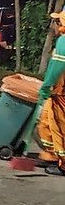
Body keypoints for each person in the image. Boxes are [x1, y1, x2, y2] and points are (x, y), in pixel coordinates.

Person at [37, 9, 65, 176]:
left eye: (57, 21)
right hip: (58, 92)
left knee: (60, 127)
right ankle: (51, 155)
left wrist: (46, 86)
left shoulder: (63, 42)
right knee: (46, 122)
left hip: (61, 92)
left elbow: (56, 68)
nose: (53, 25)